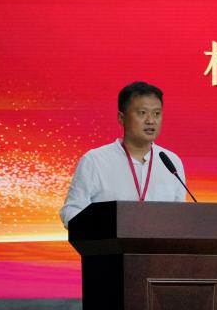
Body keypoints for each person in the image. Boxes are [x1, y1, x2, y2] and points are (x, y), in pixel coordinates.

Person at [60, 81, 187, 227]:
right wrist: (102, 228)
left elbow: (180, 215)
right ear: (121, 118)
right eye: (142, 113)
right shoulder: (95, 160)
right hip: (108, 241)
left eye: (156, 113)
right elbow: (71, 210)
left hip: (158, 241)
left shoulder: (172, 162)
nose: (151, 120)